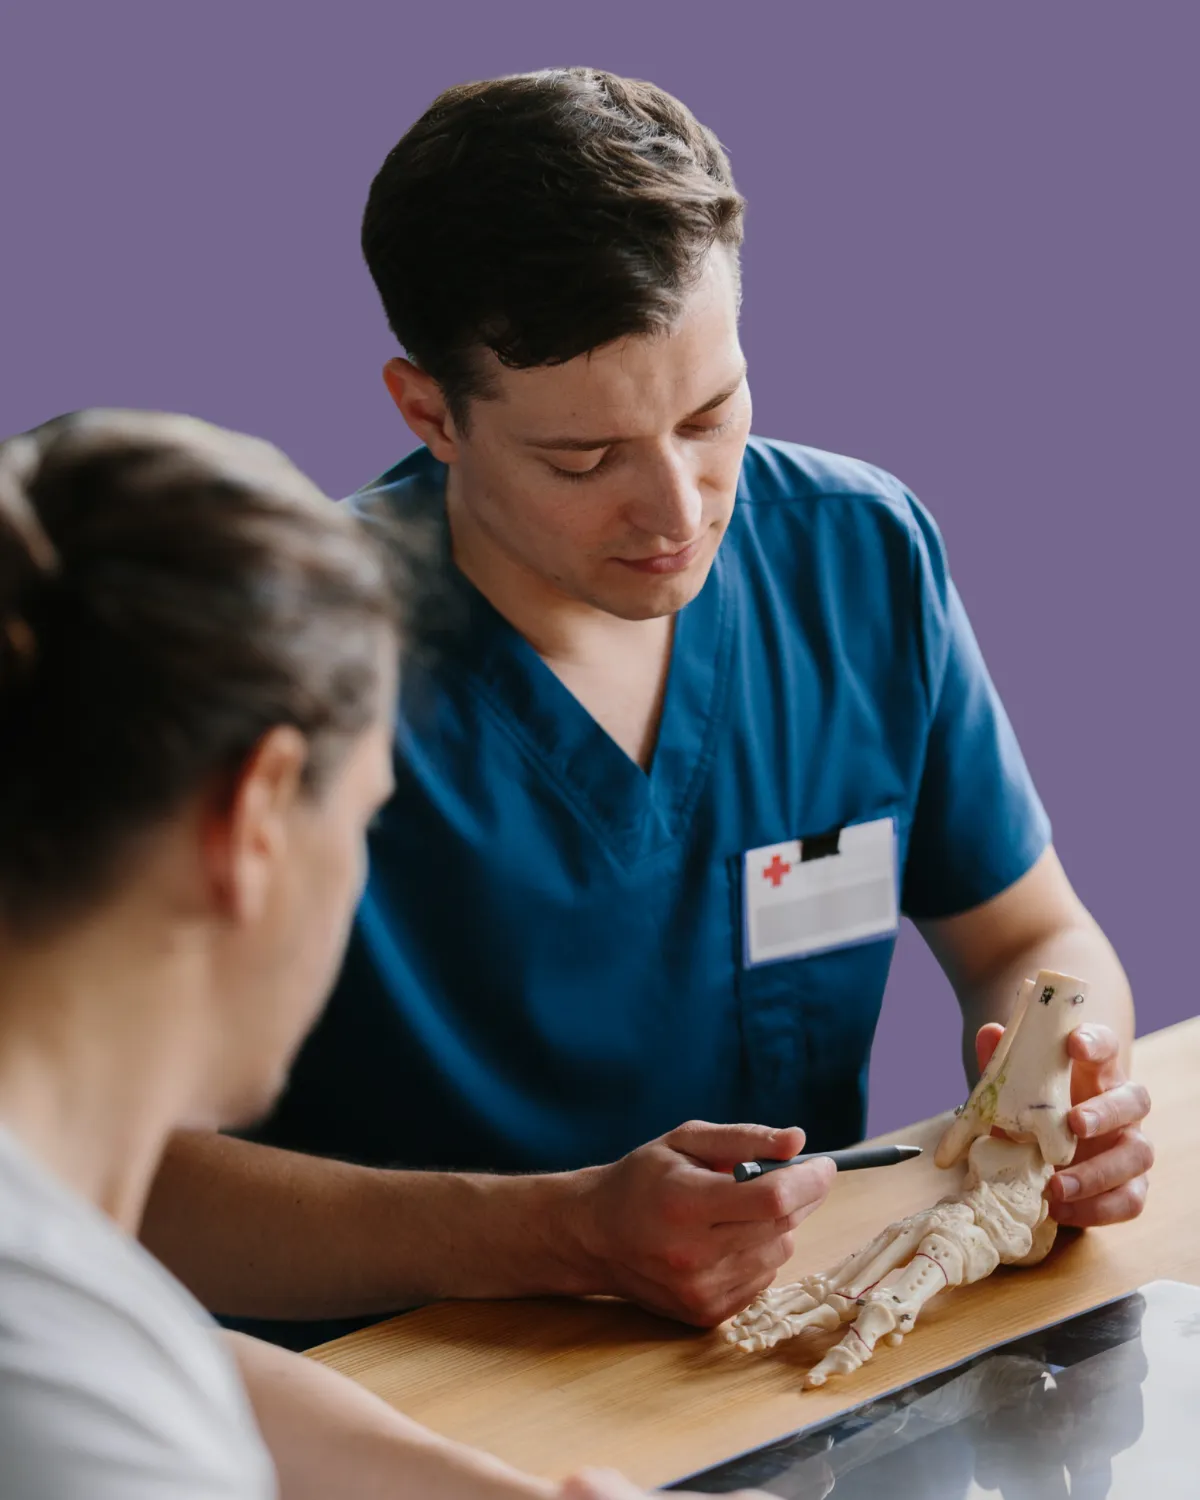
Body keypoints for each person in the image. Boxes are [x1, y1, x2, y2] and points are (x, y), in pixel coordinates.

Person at [141, 68, 1153, 1355]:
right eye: (584, 459)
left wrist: (1066, 1086)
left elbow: (1031, 928)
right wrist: (551, 1235)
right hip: (388, 1398)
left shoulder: (857, 557)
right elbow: (118, 1183)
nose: (679, 514)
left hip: (782, 1357)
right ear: (427, 412)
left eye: (710, 414)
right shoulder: (260, 664)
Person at [0, 409, 729, 1500]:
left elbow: (179, 1364)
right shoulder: (54, 1386)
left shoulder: (59, 1267)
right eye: (360, 819)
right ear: (252, 825)